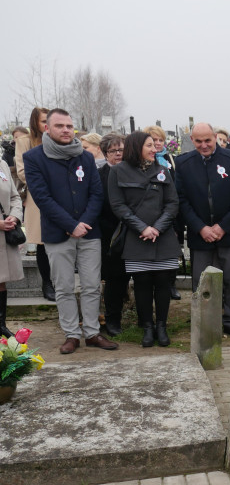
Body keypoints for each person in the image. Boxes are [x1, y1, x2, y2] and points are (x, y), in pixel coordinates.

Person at [23, 108, 117, 354]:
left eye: (69, 126)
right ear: (47, 129)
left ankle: (92, 332)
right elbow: (42, 198)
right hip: (57, 234)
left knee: (91, 284)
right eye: (59, 126)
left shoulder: (85, 157)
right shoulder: (34, 158)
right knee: (63, 286)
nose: (66, 130)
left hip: (88, 232)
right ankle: (71, 334)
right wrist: (70, 225)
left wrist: (83, 223)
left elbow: (96, 193)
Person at [175, 122, 230, 339]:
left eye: (207, 140)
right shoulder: (183, 163)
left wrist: (222, 227)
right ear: (192, 140)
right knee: (202, 280)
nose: (203, 145)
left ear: (215, 137)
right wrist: (201, 228)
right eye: (198, 141)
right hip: (201, 234)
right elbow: (181, 200)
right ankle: (205, 320)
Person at [108, 131, 179, 347]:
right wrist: (142, 228)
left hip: (162, 237)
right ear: (136, 147)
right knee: (142, 283)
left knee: (164, 283)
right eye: (149, 145)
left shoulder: (162, 170)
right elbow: (117, 204)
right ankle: (147, 326)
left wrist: (157, 227)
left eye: (155, 145)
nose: (154, 148)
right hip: (136, 237)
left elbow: (172, 203)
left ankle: (162, 326)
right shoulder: (118, 172)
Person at [15, 108, 56, 301]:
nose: (46, 125)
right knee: (42, 242)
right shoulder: (24, 142)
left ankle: (59, 281)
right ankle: (46, 283)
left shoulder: (56, 139)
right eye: (42, 121)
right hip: (38, 197)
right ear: (34, 123)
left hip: (60, 195)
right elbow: (22, 171)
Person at [144, 125, 182, 299]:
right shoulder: (145, 160)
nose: (157, 143)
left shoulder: (170, 159)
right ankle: (152, 285)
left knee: (172, 249)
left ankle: (171, 284)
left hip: (171, 210)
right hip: (151, 212)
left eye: (160, 140)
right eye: (153, 140)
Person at [97, 133, 129, 336]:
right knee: (115, 278)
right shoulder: (100, 175)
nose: (118, 154)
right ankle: (112, 319)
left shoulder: (133, 171)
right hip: (110, 233)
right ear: (105, 153)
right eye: (113, 151)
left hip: (134, 231)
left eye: (122, 150)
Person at [0, 158, 25, 338]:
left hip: (4, 234)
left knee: (1, 280)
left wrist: (14, 217)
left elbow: (14, 196)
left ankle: (1, 325)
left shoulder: (1, 165)